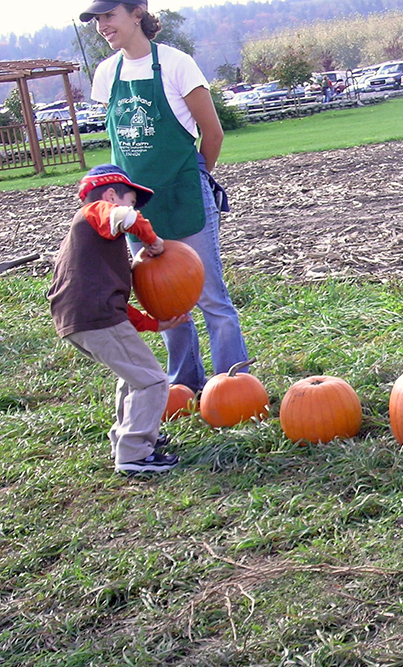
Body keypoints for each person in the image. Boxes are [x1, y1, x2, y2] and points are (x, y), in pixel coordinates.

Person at [82, 0, 250, 393]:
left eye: (109, 16)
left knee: (211, 296)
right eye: (97, 20)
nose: (102, 26)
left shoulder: (177, 64)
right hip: (135, 208)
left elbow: (213, 133)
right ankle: (185, 385)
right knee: (163, 300)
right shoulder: (107, 73)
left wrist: (195, 177)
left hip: (185, 195)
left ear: (137, 13)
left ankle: (235, 384)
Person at [48, 165, 188, 474]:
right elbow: (125, 217)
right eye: (132, 201)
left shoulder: (96, 241)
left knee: (133, 376)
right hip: (94, 317)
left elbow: (114, 302)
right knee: (151, 380)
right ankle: (134, 453)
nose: (134, 209)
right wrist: (152, 241)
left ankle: (127, 437)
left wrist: (154, 324)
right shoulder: (95, 212)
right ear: (111, 195)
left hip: (83, 317)